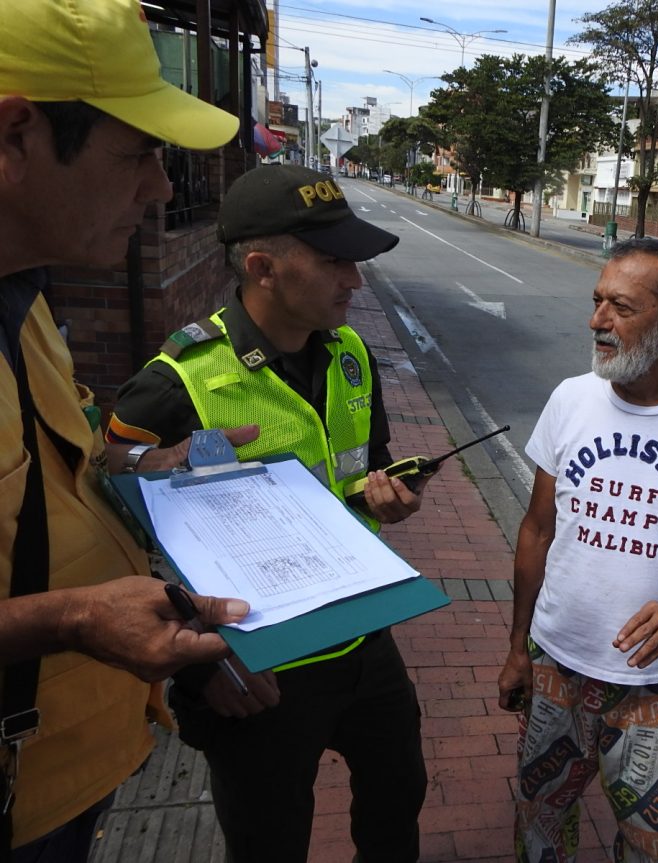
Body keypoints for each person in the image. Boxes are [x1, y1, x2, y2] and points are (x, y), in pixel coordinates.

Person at [107, 163, 428, 863]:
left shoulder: (351, 357)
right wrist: (199, 668)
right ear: (263, 267)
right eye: (335, 259)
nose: (355, 280)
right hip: (257, 670)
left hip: (363, 636)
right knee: (269, 840)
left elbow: (358, 472)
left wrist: (388, 499)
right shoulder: (176, 384)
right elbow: (113, 537)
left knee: (398, 801)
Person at [0, 0, 254, 856]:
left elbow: (50, 463)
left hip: (64, 771)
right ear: (14, 138)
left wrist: (141, 464)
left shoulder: (26, 298)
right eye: (138, 152)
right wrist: (73, 616)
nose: (159, 187)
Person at [497, 238, 658, 862]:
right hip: (555, 663)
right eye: (596, 302)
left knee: (650, 846)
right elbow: (537, 531)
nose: (597, 322)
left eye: (620, 307)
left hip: (656, 689)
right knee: (539, 821)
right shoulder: (571, 399)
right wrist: (517, 649)